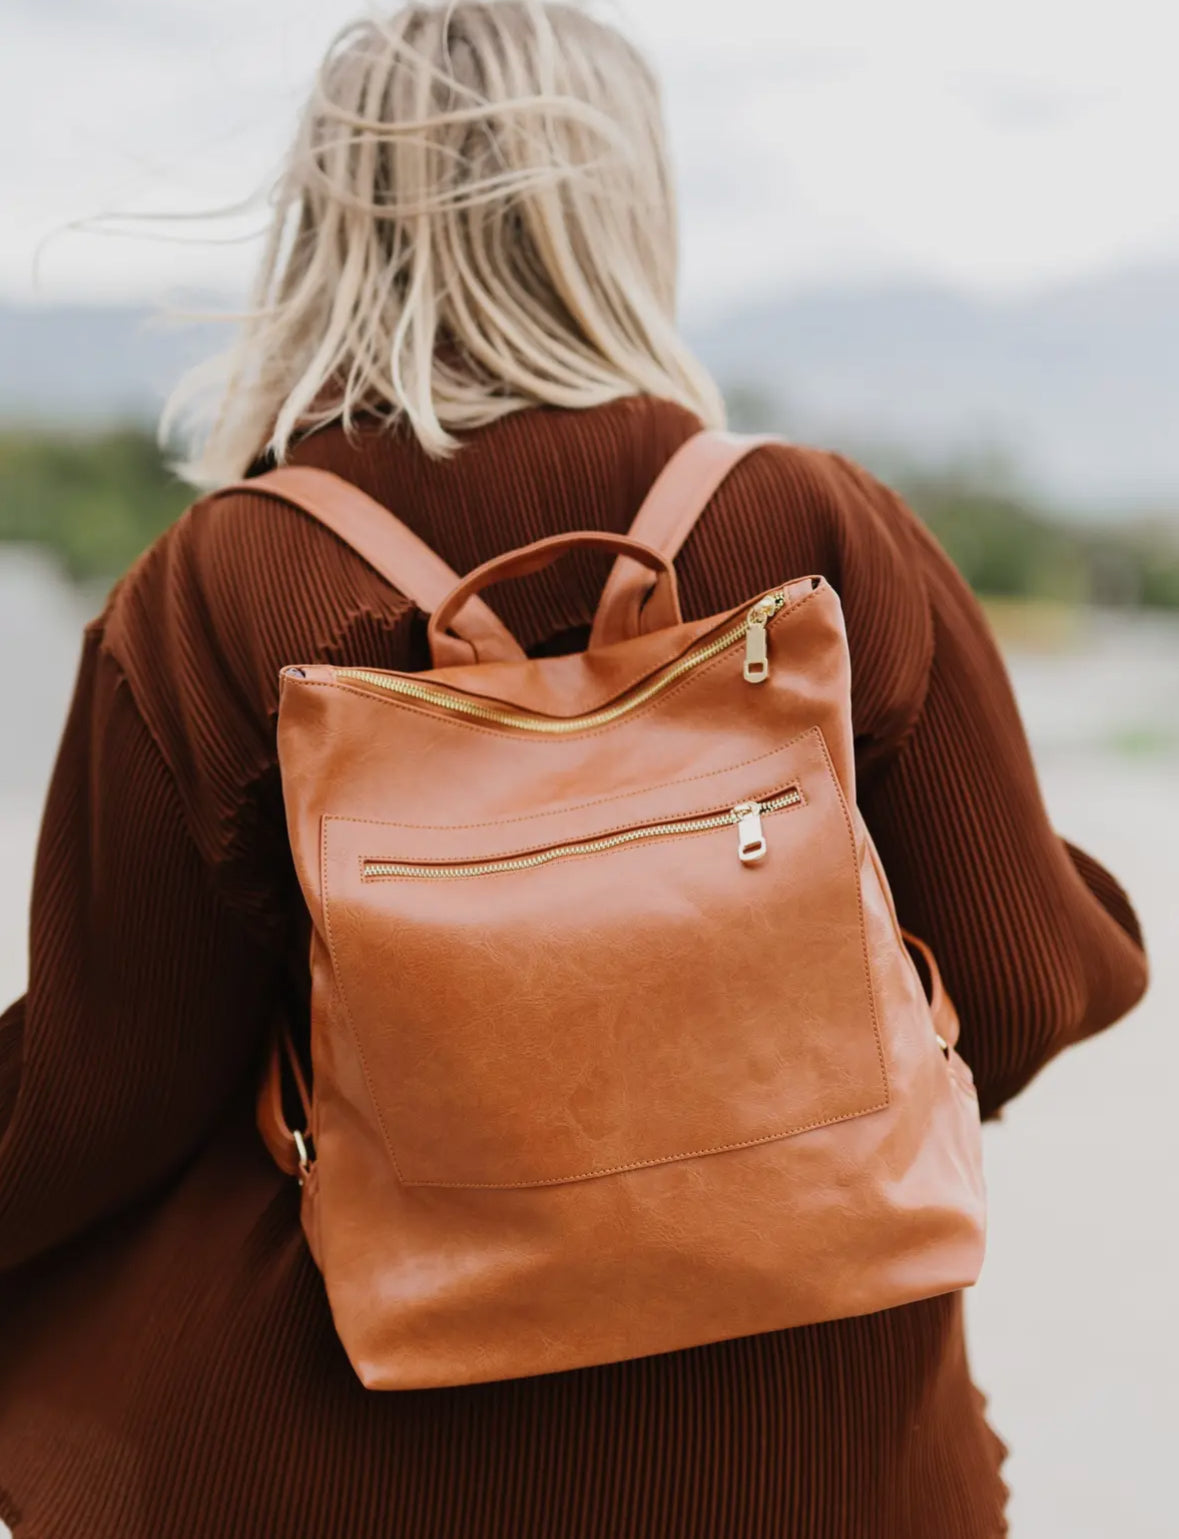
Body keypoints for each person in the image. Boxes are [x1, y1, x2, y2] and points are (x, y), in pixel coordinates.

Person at [0, 5, 1147, 1537]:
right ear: (624, 213)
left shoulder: (222, 585)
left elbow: (102, 1096)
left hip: (355, 1464)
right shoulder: (811, 529)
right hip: (822, 1469)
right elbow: (1021, 984)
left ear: (334, 221)